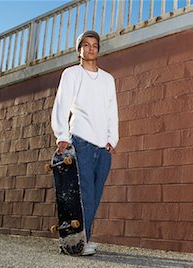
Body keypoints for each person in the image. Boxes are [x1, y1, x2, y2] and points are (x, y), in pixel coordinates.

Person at [51, 30, 119, 256]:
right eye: (86, 45)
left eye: (95, 45)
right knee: (85, 195)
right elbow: (62, 105)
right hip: (81, 141)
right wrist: (62, 135)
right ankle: (76, 244)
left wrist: (112, 139)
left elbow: (112, 111)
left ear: (98, 49)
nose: (91, 49)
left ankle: (83, 238)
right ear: (79, 49)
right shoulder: (72, 74)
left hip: (103, 146)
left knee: (95, 194)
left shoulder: (108, 79)